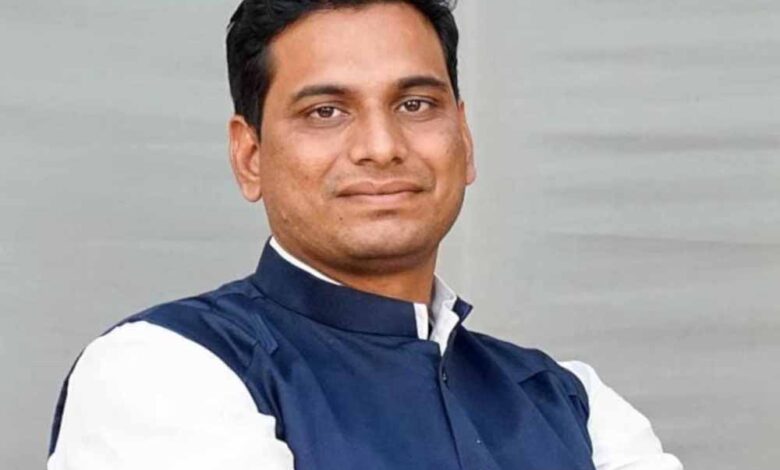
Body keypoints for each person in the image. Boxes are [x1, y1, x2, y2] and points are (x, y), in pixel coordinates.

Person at [47, 1, 683, 469]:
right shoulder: (164, 368)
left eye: (415, 105)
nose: (381, 147)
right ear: (250, 156)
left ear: (464, 139)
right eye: (326, 112)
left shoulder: (568, 400)